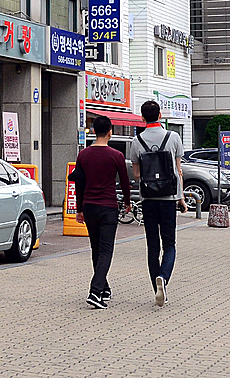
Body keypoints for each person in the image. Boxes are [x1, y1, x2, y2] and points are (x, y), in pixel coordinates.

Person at [131, 100, 187, 308]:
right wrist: (181, 198)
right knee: (169, 244)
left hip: (148, 199)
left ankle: (157, 288)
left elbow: (137, 174)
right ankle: (163, 277)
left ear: (142, 117)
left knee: (152, 246)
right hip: (169, 198)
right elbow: (178, 171)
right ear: (160, 115)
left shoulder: (137, 141)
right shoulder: (173, 137)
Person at [75, 116, 131, 309]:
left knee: (96, 249)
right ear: (110, 132)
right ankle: (95, 291)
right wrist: (128, 202)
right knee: (106, 250)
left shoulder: (83, 155)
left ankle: (104, 288)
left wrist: (79, 209)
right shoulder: (116, 155)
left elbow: (78, 183)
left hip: (89, 206)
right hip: (108, 207)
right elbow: (125, 183)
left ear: (92, 131)